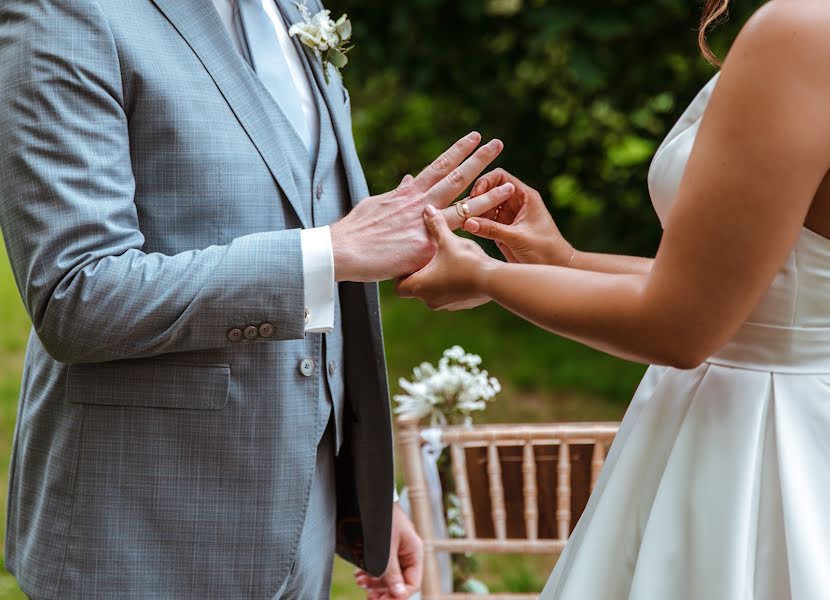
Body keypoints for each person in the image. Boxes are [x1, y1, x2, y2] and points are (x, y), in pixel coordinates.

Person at [0, 0, 513, 598]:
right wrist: (330, 252)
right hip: (144, 534)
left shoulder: (296, 6)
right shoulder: (65, 11)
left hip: (302, 523)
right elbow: (77, 295)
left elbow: (306, 201)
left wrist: (362, 492)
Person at [397, 0, 830, 596]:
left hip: (761, 452)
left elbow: (682, 326)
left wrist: (481, 277)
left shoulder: (804, 30)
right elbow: (751, 294)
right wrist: (563, 261)